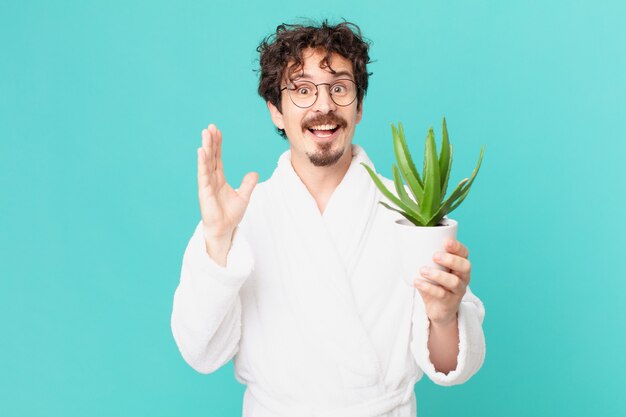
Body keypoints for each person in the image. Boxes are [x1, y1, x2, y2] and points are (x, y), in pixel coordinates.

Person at [170, 20, 485, 417]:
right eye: (302, 90)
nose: (324, 106)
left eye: (339, 87)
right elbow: (200, 352)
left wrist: (444, 316)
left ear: (359, 106)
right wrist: (217, 239)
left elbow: (451, 367)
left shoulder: (413, 212)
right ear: (276, 112)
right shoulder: (240, 217)